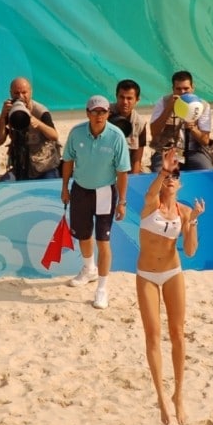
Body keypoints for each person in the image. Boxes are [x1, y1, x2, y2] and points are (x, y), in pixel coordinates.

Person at [136, 147, 205, 425]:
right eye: (168, 175)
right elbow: (151, 193)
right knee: (153, 336)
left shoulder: (184, 211)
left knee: (178, 334)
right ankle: (161, 397)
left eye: (176, 175)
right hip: (147, 275)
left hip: (173, 272)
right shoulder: (151, 204)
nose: (171, 179)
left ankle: (178, 394)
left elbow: (189, 251)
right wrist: (163, 170)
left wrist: (195, 220)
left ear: (181, 182)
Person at [61, 95, 131, 310]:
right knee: (83, 235)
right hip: (80, 190)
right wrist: (64, 187)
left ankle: (102, 288)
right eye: (95, 111)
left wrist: (122, 202)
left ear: (108, 113)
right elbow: (68, 161)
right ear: (88, 113)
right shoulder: (76, 133)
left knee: (103, 241)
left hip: (104, 193)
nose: (99, 115)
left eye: (103, 111)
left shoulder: (116, 136)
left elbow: (122, 172)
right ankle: (88, 268)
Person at [0, 77, 60, 180]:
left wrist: (38, 123)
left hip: (44, 167)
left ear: (30, 92)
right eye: (16, 93)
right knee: (4, 184)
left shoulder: (40, 111)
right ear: (11, 93)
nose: (21, 96)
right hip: (20, 167)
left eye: (24, 92)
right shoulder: (10, 111)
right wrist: (3, 117)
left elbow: (54, 136)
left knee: (51, 188)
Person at [150, 71, 213, 172]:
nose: (182, 92)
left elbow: (205, 140)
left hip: (194, 151)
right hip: (167, 150)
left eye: (186, 88)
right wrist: (169, 109)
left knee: (207, 170)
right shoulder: (163, 102)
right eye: (178, 89)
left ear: (193, 88)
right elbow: (154, 132)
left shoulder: (203, 105)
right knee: (160, 172)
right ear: (173, 89)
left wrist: (193, 129)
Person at [108, 79, 147, 173]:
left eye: (129, 98)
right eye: (121, 97)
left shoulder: (140, 123)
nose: (125, 102)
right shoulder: (103, 114)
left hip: (125, 169)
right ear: (116, 96)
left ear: (137, 100)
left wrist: (134, 180)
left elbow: (136, 160)